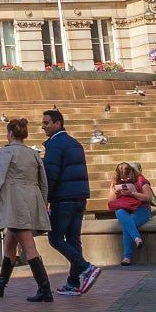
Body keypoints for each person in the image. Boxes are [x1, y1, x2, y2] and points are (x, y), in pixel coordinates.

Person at [0, 117, 55, 302]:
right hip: (31, 200)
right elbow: (43, 182)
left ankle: (45, 289)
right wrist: (42, 204)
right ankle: (1, 283)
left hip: (14, 203)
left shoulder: (6, 152)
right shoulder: (33, 154)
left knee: (29, 246)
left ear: (10, 133)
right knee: (9, 244)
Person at [41, 108, 101, 295]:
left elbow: (51, 174)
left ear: (58, 123)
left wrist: (45, 200)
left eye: (46, 123)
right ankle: (73, 283)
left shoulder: (55, 145)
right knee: (74, 240)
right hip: (79, 197)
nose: (43, 127)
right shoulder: (75, 143)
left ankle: (86, 267)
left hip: (63, 199)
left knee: (55, 238)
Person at [108, 162, 154, 265]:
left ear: (132, 172)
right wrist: (116, 193)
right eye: (123, 179)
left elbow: (148, 198)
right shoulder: (116, 181)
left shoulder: (141, 179)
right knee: (119, 211)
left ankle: (127, 257)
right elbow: (111, 202)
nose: (125, 180)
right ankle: (136, 238)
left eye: (127, 178)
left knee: (126, 225)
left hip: (142, 209)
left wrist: (132, 193)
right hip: (125, 209)